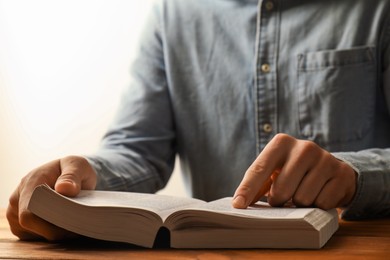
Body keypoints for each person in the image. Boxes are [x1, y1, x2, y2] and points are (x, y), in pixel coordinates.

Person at [7, 0, 390, 241]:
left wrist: (355, 176)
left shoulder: (377, 9)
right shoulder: (172, 12)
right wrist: (81, 177)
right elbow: (138, 151)